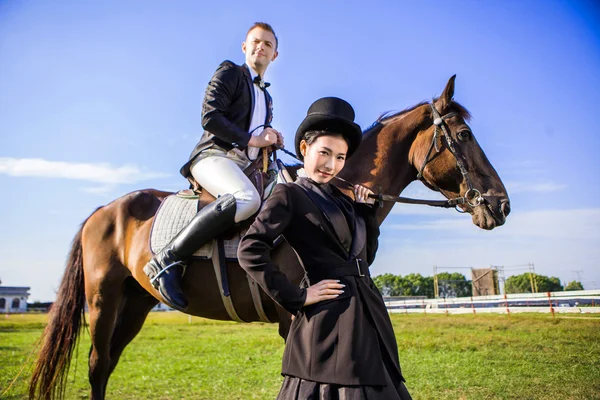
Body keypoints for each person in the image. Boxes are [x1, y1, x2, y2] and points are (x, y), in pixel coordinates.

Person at [238, 97, 412, 399]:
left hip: (368, 317)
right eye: (325, 153)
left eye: (341, 157)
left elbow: (364, 258)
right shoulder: (289, 194)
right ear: (305, 149)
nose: (332, 165)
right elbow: (250, 250)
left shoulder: (346, 201)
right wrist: (298, 296)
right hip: (327, 324)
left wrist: (366, 214)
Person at [144, 22, 284, 310]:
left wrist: (270, 137)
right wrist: (252, 139)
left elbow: (257, 135)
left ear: (275, 55)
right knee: (247, 199)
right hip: (213, 156)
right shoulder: (231, 72)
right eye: (255, 42)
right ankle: (168, 259)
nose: (261, 47)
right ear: (245, 47)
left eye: (267, 44)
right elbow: (210, 117)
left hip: (244, 165)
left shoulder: (267, 97)